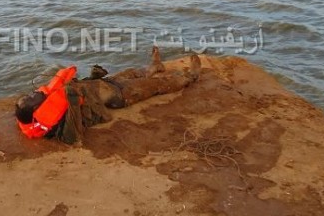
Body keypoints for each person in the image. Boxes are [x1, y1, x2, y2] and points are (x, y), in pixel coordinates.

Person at [14, 47, 201, 145]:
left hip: (106, 83)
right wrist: (71, 95)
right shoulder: (61, 123)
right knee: (157, 85)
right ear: (36, 110)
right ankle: (190, 76)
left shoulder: (49, 100)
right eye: (31, 98)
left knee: (133, 71)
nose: (34, 92)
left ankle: (155, 67)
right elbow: (73, 138)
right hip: (119, 95)